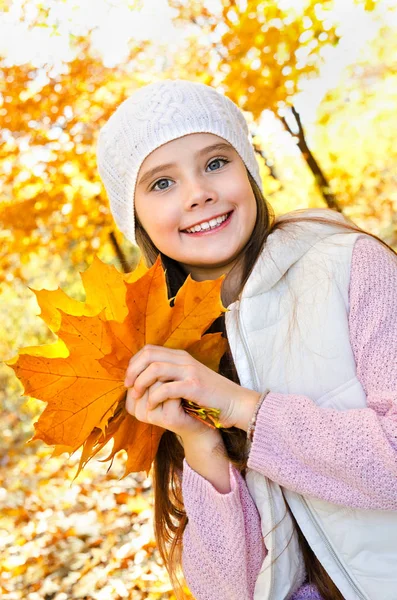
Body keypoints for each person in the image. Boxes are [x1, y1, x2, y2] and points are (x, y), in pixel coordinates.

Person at [96, 79, 397, 600]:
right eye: (161, 183)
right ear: (136, 217)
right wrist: (201, 444)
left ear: (249, 170)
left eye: (215, 163)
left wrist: (241, 407)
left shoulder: (350, 267)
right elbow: (230, 590)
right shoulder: (174, 354)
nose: (198, 193)